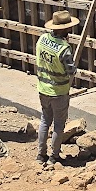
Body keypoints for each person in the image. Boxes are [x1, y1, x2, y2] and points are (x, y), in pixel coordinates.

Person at [35, 9, 79, 168]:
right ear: (66, 29)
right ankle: (54, 156)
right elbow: (70, 70)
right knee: (59, 125)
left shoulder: (41, 39)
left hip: (43, 88)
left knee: (45, 121)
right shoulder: (64, 48)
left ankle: (41, 154)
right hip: (59, 92)